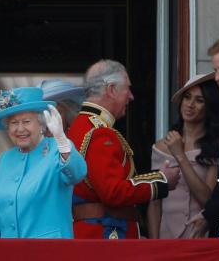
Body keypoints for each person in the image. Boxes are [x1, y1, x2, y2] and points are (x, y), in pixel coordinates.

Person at [67, 59, 178, 238]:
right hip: (105, 235)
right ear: (111, 89)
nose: (131, 96)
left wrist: (158, 176)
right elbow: (113, 192)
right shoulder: (99, 133)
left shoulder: (79, 127)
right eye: (127, 88)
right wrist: (161, 182)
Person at [0, 87, 86, 238]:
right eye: (13, 123)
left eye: (26, 121)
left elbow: (77, 174)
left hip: (49, 252)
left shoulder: (57, 148)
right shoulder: (5, 159)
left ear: (41, 124)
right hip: (10, 253)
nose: (20, 129)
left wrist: (62, 140)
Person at [147, 72, 219, 239]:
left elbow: (207, 199)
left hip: (198, 236)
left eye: (199, 100)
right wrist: (153, 245)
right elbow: (154, 202)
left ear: (209, 106)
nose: (190, 105)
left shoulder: (215, 148)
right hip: (165, 238)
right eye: (187, 97)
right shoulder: (161, 147)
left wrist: (180, 155)